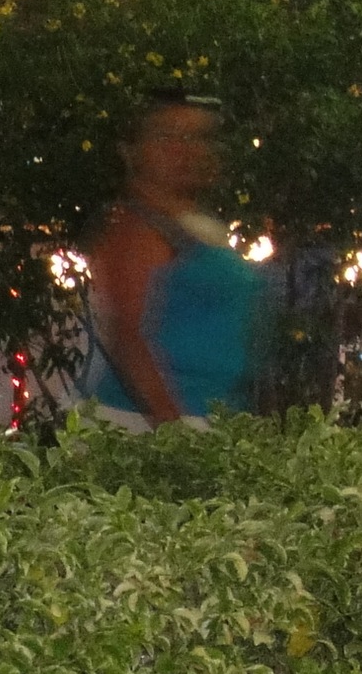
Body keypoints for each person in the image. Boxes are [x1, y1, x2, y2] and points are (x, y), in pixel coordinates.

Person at [82, 92, 262, 427]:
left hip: (206, 418)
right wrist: (173, 431)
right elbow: (130, 339)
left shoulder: (190, 224)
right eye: (168, 136)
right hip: (146, 426)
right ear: (133, 152)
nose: (186, 149)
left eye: (199, 136)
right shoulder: (138, 231)